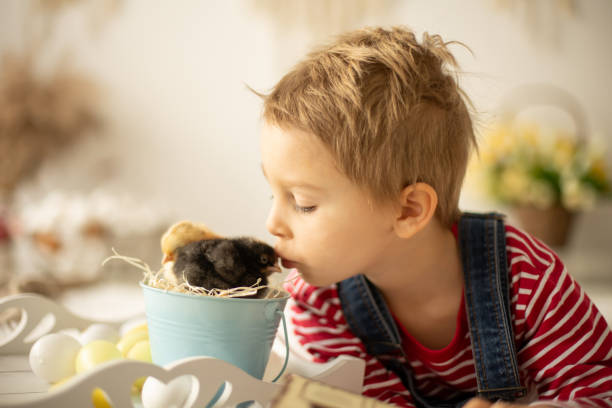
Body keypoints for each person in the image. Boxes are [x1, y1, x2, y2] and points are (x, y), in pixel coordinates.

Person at [257, 26, 612, 407]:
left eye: (303, 202)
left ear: (408, 210)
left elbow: (598, 390)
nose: (271, 223)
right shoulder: (317, 301)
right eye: (273, 193)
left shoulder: (528, 278)